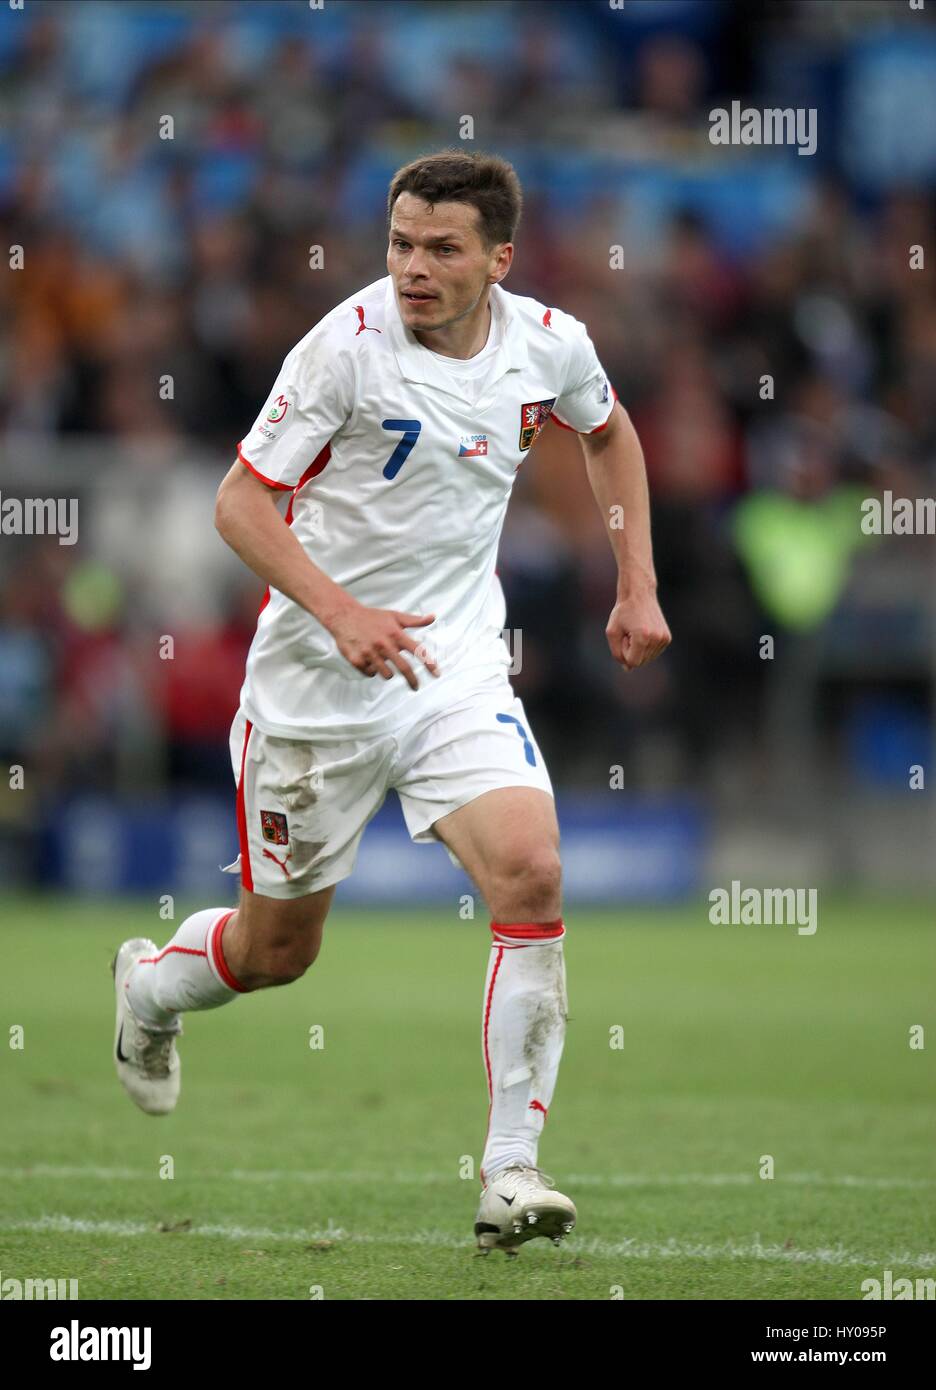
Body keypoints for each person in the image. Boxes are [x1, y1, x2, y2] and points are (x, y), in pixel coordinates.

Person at [112, 150, 671, 1256]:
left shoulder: (550, 343)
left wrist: (637, 580)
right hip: (317, 687)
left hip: (452, 664)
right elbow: (240, 503)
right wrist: (340, 612)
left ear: (499, 259)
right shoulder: (344, 351)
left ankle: (512, 1167)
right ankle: (150, 990)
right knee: (279, 953)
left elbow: (606, 430)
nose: (413, 268)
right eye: (402, 243)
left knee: (532, 870)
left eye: (442, 248)